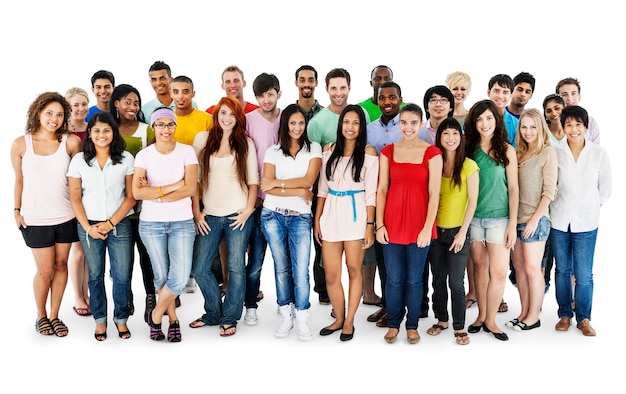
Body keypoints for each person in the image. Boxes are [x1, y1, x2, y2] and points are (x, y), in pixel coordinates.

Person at [12, 92, 82, 336]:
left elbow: (79, 181)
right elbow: (19, 180)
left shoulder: (71, 143)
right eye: (49, 113)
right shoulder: (22, 143)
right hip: (36, 219)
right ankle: (40, 316)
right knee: (45, 270)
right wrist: (16, 210)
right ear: (38, 113)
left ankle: (54, 316)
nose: (54, 118)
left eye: (60, 114)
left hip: (65, 216)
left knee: (61, 265)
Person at [189, 96, 258, 337]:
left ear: (238, 118)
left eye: (232, 114)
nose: (227, 118)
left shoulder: (245, 143)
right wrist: (197, 212)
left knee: (236, 267)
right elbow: (194, 182)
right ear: (216, 116)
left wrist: (248, 210)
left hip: (238, 214)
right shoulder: (203, 140)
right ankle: (212, 312)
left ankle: (229, 317)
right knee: (199, 268)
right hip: (210, 214)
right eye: (223, 113)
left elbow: (253, 182)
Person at [376, 103, 442, 345]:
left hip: (419, 226)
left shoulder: (432, 153)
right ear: (399, 123)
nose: (408, 127)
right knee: (393, 279)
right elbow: (382, 189)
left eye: (414, 123)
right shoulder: (388, 152)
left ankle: (412, 325)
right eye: (404, 122)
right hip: (391, 224)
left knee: (414, 279)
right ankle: (394, 323)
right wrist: (379, 224)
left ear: (421, 124)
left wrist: (427, 227)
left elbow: (435, 193)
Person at [67, 112, 136, 341]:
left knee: (122, 275)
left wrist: (110, 223)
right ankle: (100, 320)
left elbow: (131, 197)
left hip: (118, 225)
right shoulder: (79, 160)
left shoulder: (126, 158)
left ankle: (121, 319)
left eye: (106, 130)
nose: (101, 135)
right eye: (96, 130)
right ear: (89, 134)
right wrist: (88, 227)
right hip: (89, 226)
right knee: (95, 275)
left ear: (113, 132)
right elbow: (75, 197)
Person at [132, 107, 198, 342]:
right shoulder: (144, 156)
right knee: (161, 277)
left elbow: (190, 188)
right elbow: (138, 192)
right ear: (153, 127)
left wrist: (156, 194)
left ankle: (156, 314)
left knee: (179, 278)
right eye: (160, 125)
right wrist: (171, 187)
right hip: (151, 224)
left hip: (182, 222)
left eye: (169, 124)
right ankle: (174, 321)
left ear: (175, 127)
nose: (165, 129)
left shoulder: (187, 152)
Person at [314, 105, 378, 342]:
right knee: (331, 273)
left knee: (354, 269)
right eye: (346, 122)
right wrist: (317, 220)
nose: (350, 127)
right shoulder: (328, 150)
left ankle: (350, 321)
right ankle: (338, 318)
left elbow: (371, 194)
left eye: (356, 123)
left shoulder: (369, 153)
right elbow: (321, 189)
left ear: (361, 127)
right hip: (331, 212)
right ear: (340, 125)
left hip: (356, 214)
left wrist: (370, 225)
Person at [260, 103, 322, 339]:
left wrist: (280, 184)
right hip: (272, 215)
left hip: (300, 217)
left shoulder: (313, 148)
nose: (297, 127)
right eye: (292, 123)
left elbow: (308, 181)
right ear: (285, 124)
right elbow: (266, 187)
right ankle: (287, 314)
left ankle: (303, 316)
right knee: (281, 268)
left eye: (300, 123)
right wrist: (294, 190)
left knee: (301, 269)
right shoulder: (273, 151)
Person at [551, 105, 611, 336]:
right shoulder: (555, 152)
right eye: (569, 125)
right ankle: (564, 314)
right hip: (559, 220)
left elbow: (605, 189)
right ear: (563, 127)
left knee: (584, 273)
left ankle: (584, 318)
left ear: (586, 126)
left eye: (578, 124)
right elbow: (552, 185)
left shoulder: (598, 153)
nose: (574, 129)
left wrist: (589, 207)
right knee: (563, 270)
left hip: (586, 222)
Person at [464, 99, 519, 341]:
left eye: (489, 118)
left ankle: (491, 321)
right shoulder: (468, 148)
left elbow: (514, 189)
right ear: (473, 123)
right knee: (479, 268)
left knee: (498, 272)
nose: (484, 123)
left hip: (500, 219)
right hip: (474, 219)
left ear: (496, 121)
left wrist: (512, 225)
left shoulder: (507, 149)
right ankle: (480, 316)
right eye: (479, 119)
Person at [429, 117, 478, 345]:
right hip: (435, 232)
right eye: (445, 134)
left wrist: (462, 233)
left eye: (455, 134)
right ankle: (441, 319)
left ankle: (459, 326)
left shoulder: (468, 165)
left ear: (461, 137)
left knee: (456, 283)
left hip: (458, 231)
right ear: (439, 138)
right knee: (438, 279)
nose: (450, 138)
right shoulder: (434, 163)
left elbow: (472, 202)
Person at [507, 109, 557, 332]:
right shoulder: (517, 154)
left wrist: (534, 220)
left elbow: (549, 191)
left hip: (535, 220)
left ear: (540, 128)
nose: (528, 131)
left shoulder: (547, 153)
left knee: (532, 269)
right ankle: (524, 311)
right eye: (524, 127)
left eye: (533, 127)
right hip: (515, 220)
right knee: (519, 269)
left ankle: (533, 316)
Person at [110, 83, 157, 314]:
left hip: (144, 206)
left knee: (147, 256)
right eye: (127, 101)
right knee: (122, 261)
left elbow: (156, 162)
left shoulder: (146, 130)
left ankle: (151, 297)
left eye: (136, 102)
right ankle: (125, 297)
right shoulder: (108, 130)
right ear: (116, 103)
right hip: (117, 208)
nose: (132, 106)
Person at [308, 67, 353, 306]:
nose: (338, 93)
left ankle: (355, 290)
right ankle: (324, 289)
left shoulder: (360, 116)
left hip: (354, 194)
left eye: (342, 88)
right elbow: (313, 162)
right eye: (333, 88)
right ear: (326, 89)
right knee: (324, 241)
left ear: (349, 88)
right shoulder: (318, 123)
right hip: (326, 192)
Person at [364, 80, 405, 327]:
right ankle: (389, 305)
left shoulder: (413, 127)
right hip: (378, 199)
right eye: (382, 98)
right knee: (382, 256)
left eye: (392, 97)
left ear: (400, 99)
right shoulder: (369, 129)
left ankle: (401, 309)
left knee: (399, 258)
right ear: (376, 100)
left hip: (403, 199)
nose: (387, 102)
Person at [243, 72, 282, 325]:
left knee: (284, 258)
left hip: (282, 198)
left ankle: (284, 302)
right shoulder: (248, 120)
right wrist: (252, 194)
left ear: (278, 93)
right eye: (261, 96)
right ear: (255, 97)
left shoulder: (288, 117)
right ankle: (250, 305)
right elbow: (243, 157)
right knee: (255, 259)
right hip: (257, 199)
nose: (266, 100)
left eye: (270, 94)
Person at [418, 85, 454, 319]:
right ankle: (419, 306)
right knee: (420, 266)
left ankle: (442, 313)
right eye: (433, 100)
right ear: (427, 106)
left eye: (443, 100)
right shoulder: (418, 133)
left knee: (441, 271)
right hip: (421, 206)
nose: (438, 104)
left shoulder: (457, 133)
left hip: (449, 209)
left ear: (451, 106)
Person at [294, 65, 328, 306]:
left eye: (310, 79)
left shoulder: (324, 114)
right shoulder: (290, 113)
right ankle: (295, 291)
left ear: (316, 83)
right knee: (296, 241)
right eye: (302, 79)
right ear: (296, 82)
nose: (306, 83)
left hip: (320, 188)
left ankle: (323, 289)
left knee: (320, 239)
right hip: (294, 188)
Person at [505, 72, 535, 289]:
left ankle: (534, 299)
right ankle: (500, 297)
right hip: (501, 190)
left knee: (527, 258)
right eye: (520, 89)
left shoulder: (531, 121)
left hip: (526, 194)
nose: (523, 94)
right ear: (512, 91)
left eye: (528, 91)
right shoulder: (499, 117)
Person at [64, 87, 91, 316]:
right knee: (79, 251)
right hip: (69, 196)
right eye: (75, 105)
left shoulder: (92, 130)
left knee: (88, 251)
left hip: (90, 196)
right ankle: (78, 295)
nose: (80, 109)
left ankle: (86, 293)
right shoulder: (63, 133)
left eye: (84, 104)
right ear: (68, 107)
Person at [555, 77, 600, 144]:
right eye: (564, 95)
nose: (569, 98)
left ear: (579, 97)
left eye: (573, 93)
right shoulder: (553, 122)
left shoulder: (591, 122)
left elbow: (596, 150)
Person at [171, 75, 213, 146]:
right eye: (176, 92)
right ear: (170, 94)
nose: (180, 96)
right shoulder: (167, 121)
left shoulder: (208, 120)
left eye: (185, 92)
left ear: (193, 94)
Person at [487, 74, 517, 146]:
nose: (500, 96)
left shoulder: (516, 124)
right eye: (496, 91)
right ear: (489, 92)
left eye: (505, 92)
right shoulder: (474, 116)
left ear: (511, 95)